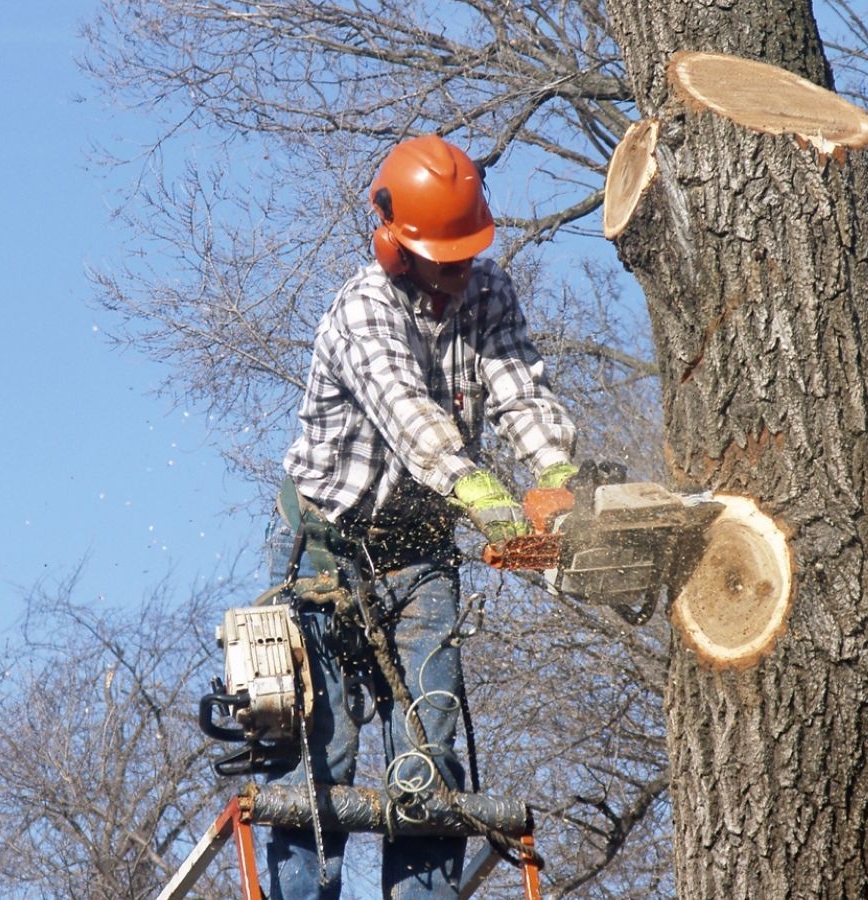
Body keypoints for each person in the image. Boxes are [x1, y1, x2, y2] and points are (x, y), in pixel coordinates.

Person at [264, 134, 579, 899]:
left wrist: (558, 476)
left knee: (429, 754)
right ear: (395, 244)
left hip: (422, 556)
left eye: (467, 253)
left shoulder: (488, 291)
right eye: (446, 258)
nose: (458, 272)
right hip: (326, 552)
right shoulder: (363, 312)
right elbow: (411, 420)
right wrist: (486, 499)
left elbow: (518, 389)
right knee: (322, 759)